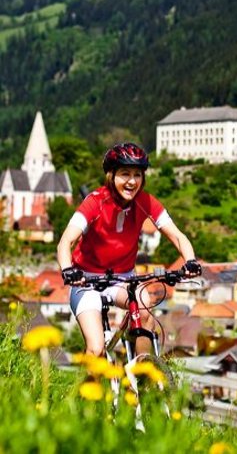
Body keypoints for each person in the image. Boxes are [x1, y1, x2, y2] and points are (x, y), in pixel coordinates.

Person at [57, 142, 201, 357]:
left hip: (123, 279)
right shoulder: (95, 202)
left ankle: (143, 374)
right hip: (86, 281)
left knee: (144, 310)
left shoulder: (146, 202)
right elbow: (65, 242)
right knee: (95, 349)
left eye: (137, 175)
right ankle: (88, 389)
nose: (132, 181)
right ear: (111, 176)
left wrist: (190, 261)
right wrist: (68, 270)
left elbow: (178, 237)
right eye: (125, 174)